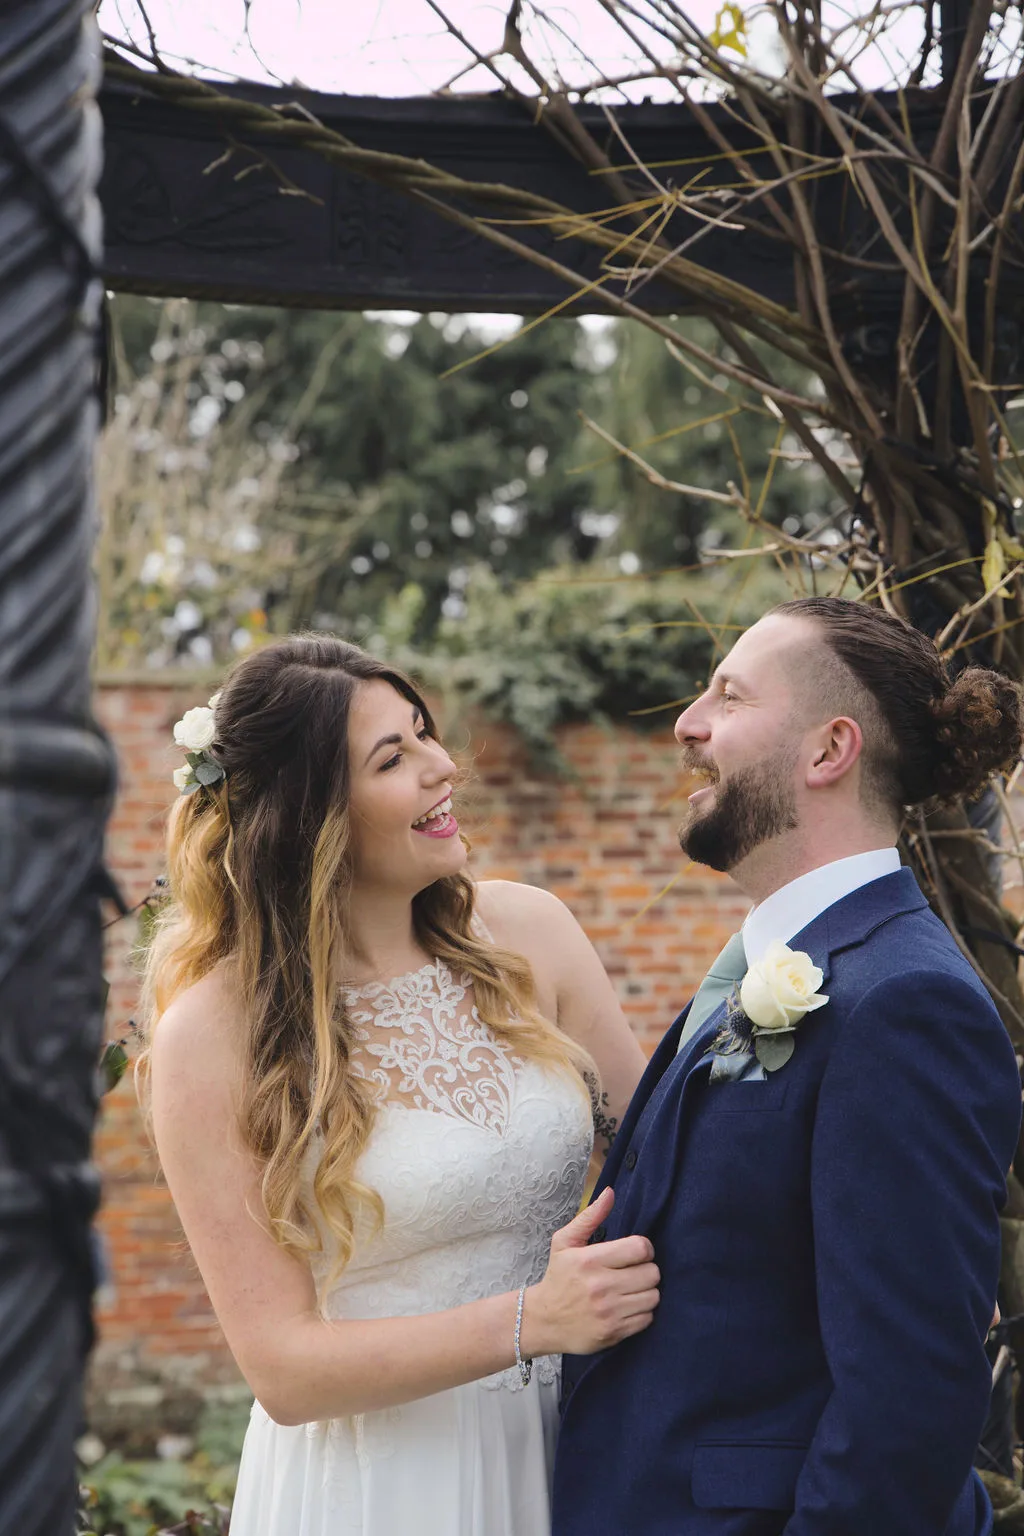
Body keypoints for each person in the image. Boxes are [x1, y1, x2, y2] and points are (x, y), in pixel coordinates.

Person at [141, 634, 654, 1536]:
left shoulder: (534, 935)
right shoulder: (213, 1038)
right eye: (394, 756)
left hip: (577, 1446)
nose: (443, 766)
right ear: (310, 815)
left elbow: (660, 1173)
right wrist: (533, 1320)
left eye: (425, 734)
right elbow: (284, 1371)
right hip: (378, 1486)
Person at [553, 595, 1024, 1536]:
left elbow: (911, 1399)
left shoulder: (903, 1003)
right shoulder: (769, 966)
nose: (688, 724)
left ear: (827, 750)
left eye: (728, 696)